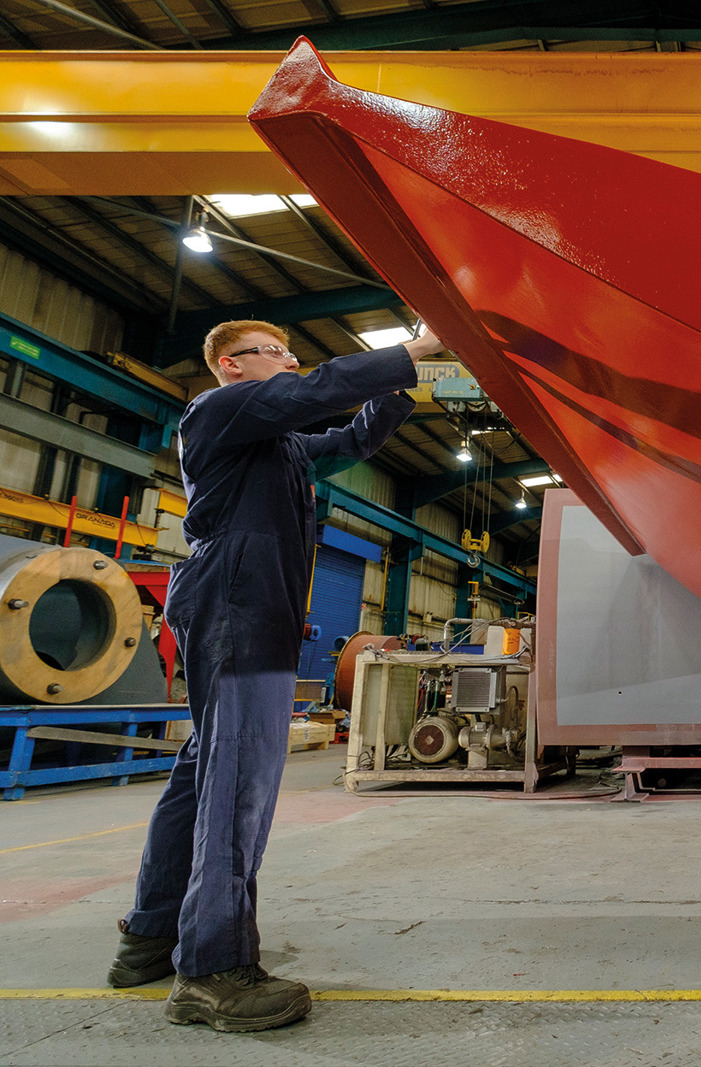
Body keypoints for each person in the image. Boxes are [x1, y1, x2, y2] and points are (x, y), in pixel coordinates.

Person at [108, 319, 444, 1032]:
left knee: (204, 773)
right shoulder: (219, 408)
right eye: (276, 352)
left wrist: (407, 385)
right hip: (240, 609)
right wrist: (410, 349)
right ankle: (212, 968)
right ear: (231, 364)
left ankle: (148, 937)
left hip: (241, 609)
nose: (291, 361)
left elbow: (351, 439)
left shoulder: (276, 444)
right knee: (238, 785)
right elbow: (312, 391)